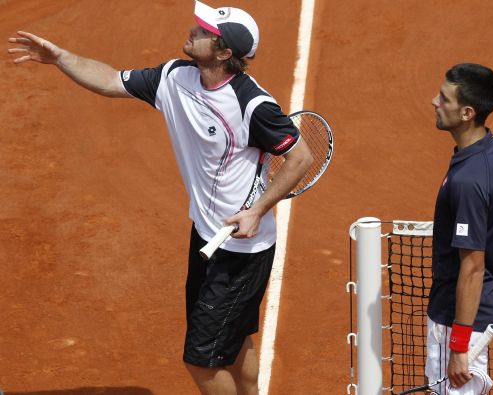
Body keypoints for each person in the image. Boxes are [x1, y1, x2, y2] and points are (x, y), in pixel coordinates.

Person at [8, 1, 313, 394]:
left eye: (204, 32)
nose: (194, 30)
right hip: (207, 234)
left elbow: (300, 156)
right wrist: (62, 58)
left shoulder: (252, 105)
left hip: (244, 250)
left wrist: (257, 210)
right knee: (233, 343)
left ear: (223, 53)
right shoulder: (174, 77)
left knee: (201, 360)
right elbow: (111, 80)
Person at [426, 63, 493, 394]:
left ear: (467, 112)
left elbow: (473, 266)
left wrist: (459, 346)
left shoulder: (469, 181)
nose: (434, 101)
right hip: (483, 309)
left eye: (444, 98)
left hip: (460, 320)